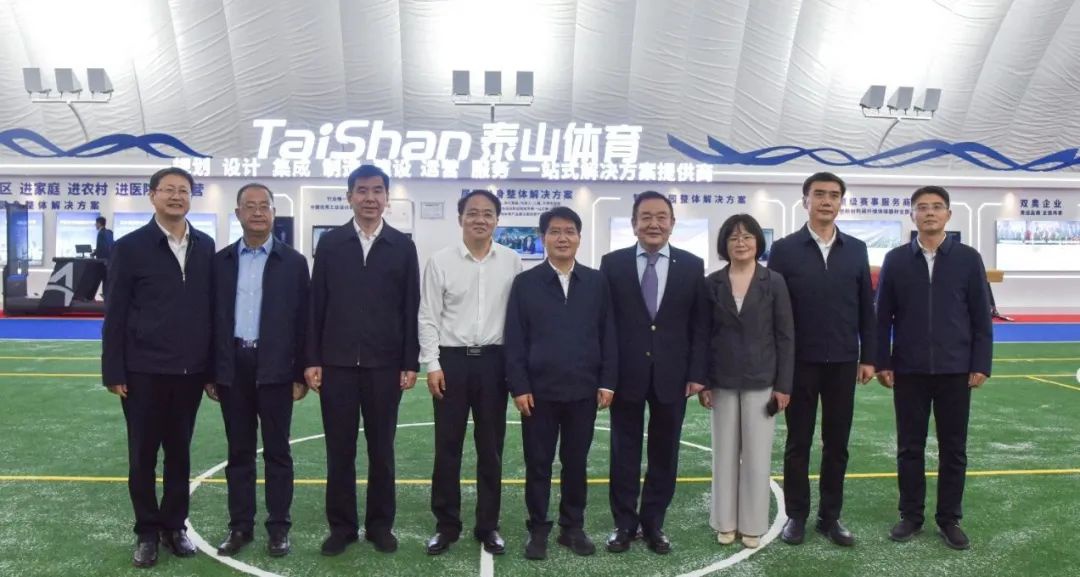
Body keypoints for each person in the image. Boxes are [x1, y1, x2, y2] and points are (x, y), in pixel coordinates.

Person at [100, 167, 214, 568]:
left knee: (180, 455)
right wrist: (114, 370)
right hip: (142, 371)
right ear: (152, 196)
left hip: (189, 372)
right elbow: (114, 312)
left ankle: (174, 526)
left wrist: (211, 369)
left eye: (183, 190)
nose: (176, 196)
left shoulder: (205, 245)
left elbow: (211, 311)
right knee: (143, 456)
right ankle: (147, 532)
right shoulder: (130, 247)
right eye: (168, 190)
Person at [305, 164, 420, 556]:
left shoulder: (402, 246)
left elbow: (410, 307)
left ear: (387, 197)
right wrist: (312, 358)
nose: (370, 198)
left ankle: (380, 526)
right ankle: (341, 528)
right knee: (340, 451)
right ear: (349, 196)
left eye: (377, 190)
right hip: (336, 365)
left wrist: (409, 361)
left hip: (385, 366)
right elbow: (316, 304)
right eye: (362, 190)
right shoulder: (331, 243)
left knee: (382, 450)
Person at [876, 185, 993, 551]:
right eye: (922, 207)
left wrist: (981, 362)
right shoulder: (896, 260)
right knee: (909, 447)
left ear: (948, 215)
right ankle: (911, 515)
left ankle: (949, 519)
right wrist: (882, 361)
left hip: (955, 369)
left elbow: (981, 316)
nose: (929, 212)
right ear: (912, 215)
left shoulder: (968, 259)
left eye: (937, 207)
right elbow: (882, 317)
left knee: (953, 449)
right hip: (908, 369)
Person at [767, 172, 876, 547]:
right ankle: (796, 515)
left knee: (837, 443)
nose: (826, 201)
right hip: (799, 362)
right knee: (798, 443)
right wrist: (778, 364)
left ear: (841, 202)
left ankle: (830, 517)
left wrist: (869, 356)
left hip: (843, 361)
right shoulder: (784, 249)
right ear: (806, 201)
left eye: (833, 195)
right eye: (819, 194)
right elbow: (775, 310)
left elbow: (866, 307)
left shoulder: (856, 249)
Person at [504, 206, 617, 560]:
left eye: (570, 231)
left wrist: (607, 382)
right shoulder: (525, 283)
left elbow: (608, 334)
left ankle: (572, 527)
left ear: (579, 238)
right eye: (555, 231)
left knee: (575, 463)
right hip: (538, 394)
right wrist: (520, 386)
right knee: (538, 464)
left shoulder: (596, 282)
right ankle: (538, 528)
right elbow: (515, 338)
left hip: (583, 390)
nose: (563, 238)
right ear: (543, 239)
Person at [600, 191, 708, 555]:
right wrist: (607, 377)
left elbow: (699, 325)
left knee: (665, 453)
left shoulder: (691, 265)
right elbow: (606, 325)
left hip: (673, 376)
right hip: (626, 375)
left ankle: (653, 523)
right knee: (624, 452)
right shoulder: (612, 264)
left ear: (673, 224)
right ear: (633, 224)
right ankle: (624, 523)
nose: (654, 224)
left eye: (661, 217)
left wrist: (697, 373)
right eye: (646, 217)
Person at [206, 183, 310, 558]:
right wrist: (211, 371)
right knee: (239, 452)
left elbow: (304, 322)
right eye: (249, 206)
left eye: (264, 205)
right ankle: (240, 526)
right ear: (238, 214)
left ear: (273, 213)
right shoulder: (219, 262)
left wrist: (299, 373)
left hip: (276, 367)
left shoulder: (293, 263)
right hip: (233, 365)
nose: (257, 212)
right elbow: (210, 319)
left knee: (278, 452)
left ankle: (279, 527)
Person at [419, 189, 522, 556]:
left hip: (495, 362)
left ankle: (487, 525)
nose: (481, 219)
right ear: (460, 218)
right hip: (452, 362)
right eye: (473, 212)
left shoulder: (511, 261)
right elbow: (428, 316)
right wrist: (432, 363)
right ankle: (446, 525)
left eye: (488, 213)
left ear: (497, 220)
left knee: (490, 448)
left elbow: (518, 319)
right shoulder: (440, 261)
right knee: (447, 447)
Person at [699, 214, 794, 549]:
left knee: (756, 457)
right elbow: (703, 335)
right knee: (723, 455)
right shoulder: (711, 283)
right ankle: (725, 522)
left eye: (747, 237)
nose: (741, 243)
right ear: (724, 244)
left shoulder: (774, 282)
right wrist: (703, 382)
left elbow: (785, 335)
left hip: (762, 380)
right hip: (721, 381)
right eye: (733, 237)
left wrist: (783, 385)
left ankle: (752, 525)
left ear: (758, 242)